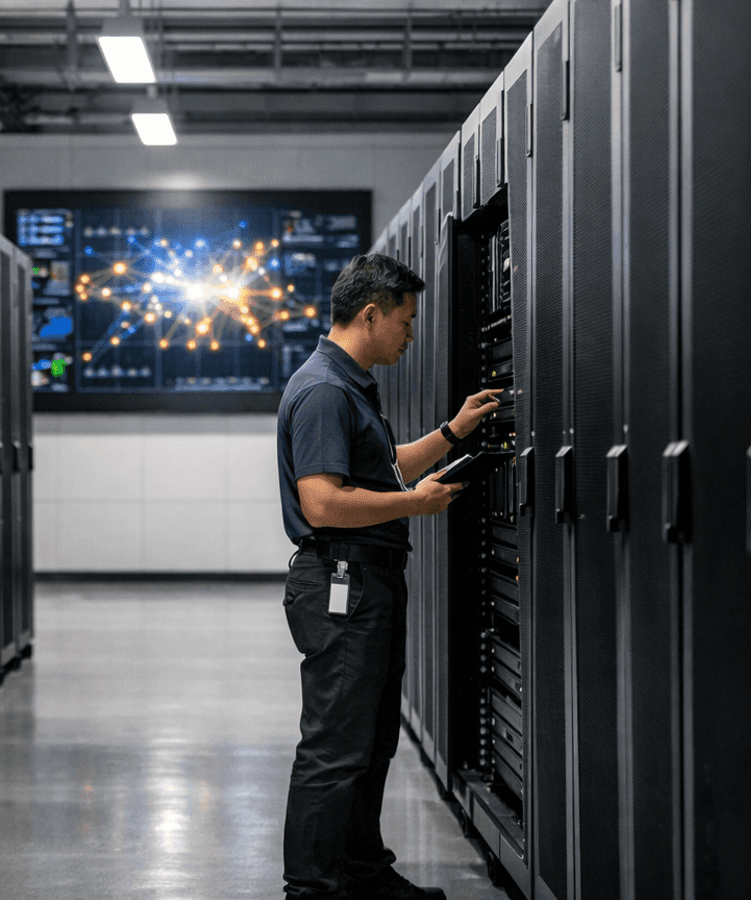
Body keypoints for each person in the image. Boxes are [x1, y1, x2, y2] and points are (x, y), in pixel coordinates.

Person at [274, 253, 501, 900]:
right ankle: (312, 890)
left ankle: (362, 873)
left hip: (365, 584)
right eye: (405, 321)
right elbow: (323, 502)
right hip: (344, 584)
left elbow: (381, 466)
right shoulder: (325, 390)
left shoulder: (345, 386)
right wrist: (414, 504)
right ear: (370, 315)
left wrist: (452, 433)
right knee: (335, 747)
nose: (411, 335)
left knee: (369, 742)